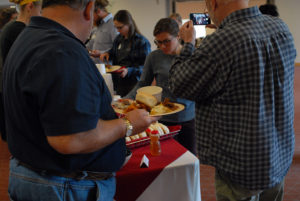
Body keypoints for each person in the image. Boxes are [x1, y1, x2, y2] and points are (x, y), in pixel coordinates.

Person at [3, 0, 159, 200]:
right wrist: (128, 124)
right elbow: (72, 139)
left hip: (38, 175)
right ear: (88, 8)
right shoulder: (63, 49)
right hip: (64, 186)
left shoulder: (29, 36)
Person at [168, 0, 296, 200]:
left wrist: (187, 43)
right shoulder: (279, 27)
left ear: (214, 2)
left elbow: (178, 84)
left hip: (241, 165)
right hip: (278, 157)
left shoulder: (220, 42)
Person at [125, 18, 196, 155]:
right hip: (162, 119)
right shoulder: (154, 57)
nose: (162, 46)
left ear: (178, 36)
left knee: (189, 157)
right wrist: (127, 99)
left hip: (188, 118)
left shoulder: (191, 54)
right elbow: (142, 84)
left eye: (166, 41)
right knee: (163, 157)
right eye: (158, 42)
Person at [0, 0, 42, 142]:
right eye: (40, 9)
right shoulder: (18, 30)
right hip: (14, 88)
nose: (41, 14)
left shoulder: (11, 27)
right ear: (30, 7)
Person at [100, 10, 151, 97]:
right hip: (119, 83)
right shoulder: (118, 39)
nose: (118, 30)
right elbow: (113, 52)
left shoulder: (141, 42)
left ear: (129, 24)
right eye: (116, 28)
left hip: (134, 84)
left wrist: (129, 70)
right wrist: (107, 54)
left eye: (120, 27)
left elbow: (146, 68)